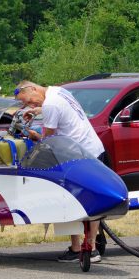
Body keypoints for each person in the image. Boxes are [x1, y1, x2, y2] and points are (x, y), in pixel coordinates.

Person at [14, 80, 107, 263]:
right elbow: (63, 112)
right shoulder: (58, 92)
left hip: (78, 156)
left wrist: (34, 136)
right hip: (93, 148)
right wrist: (38, 111)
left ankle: (84, 249)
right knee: (90, 200)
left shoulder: (50, 105)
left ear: (33, 88)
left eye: (31, 101)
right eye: (27, 105)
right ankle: (89, 246)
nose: (31, 105)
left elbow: (49, 140)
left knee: (70, 199)